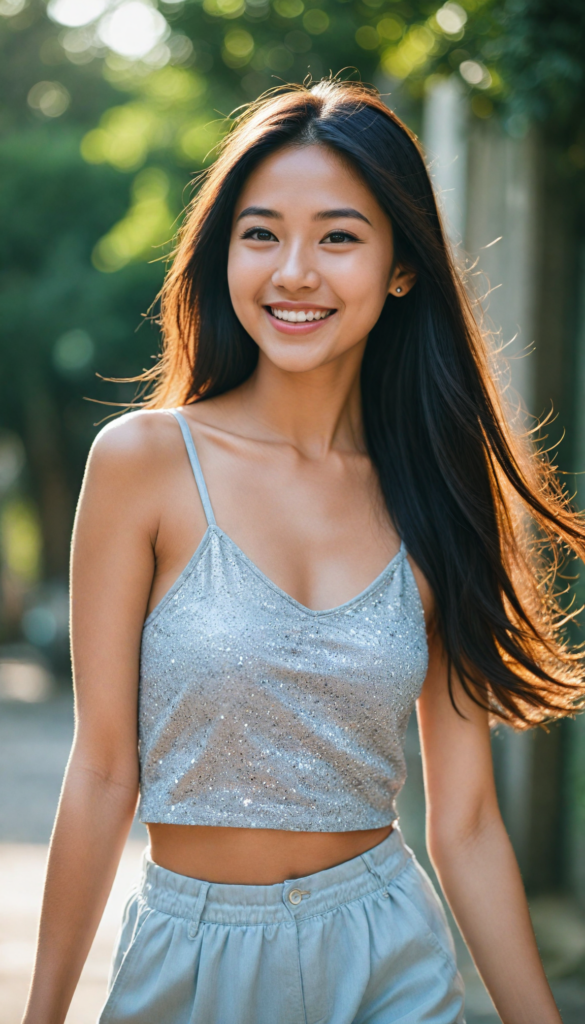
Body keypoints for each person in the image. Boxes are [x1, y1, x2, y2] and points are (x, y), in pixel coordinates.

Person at [23, 79, 585, 1024]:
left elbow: (469, 822)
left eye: (337, 236)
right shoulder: (145, 464)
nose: (293, 271)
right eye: (259, 233)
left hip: (389, 955)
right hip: (191, 959)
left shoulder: (440, 491)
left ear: (401, 266)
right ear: (223, 254)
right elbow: (103, 770)